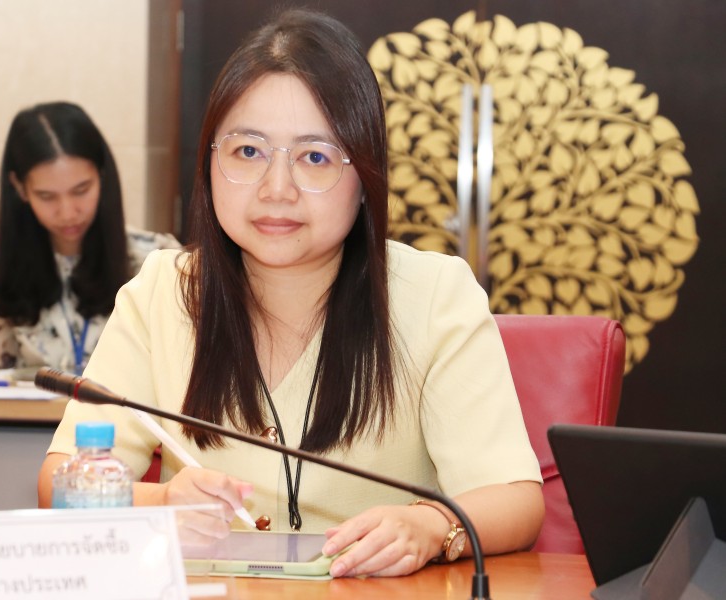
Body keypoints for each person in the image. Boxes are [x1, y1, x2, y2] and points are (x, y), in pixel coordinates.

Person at [39, 9, 544, 578]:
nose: (276, 189)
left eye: (315, 157)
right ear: (209, 163)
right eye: (248, 152)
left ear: (365, 177)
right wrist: (160, 504)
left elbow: (515, 501)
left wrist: (430, 526)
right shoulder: (163, 291)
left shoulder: (435, 295)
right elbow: (61, 484)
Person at [0, 101, 179, 374]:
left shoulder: (159, 260)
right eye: (47, 196)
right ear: (20, 188)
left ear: (102, 176)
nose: (68, 212)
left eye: (81, 190)